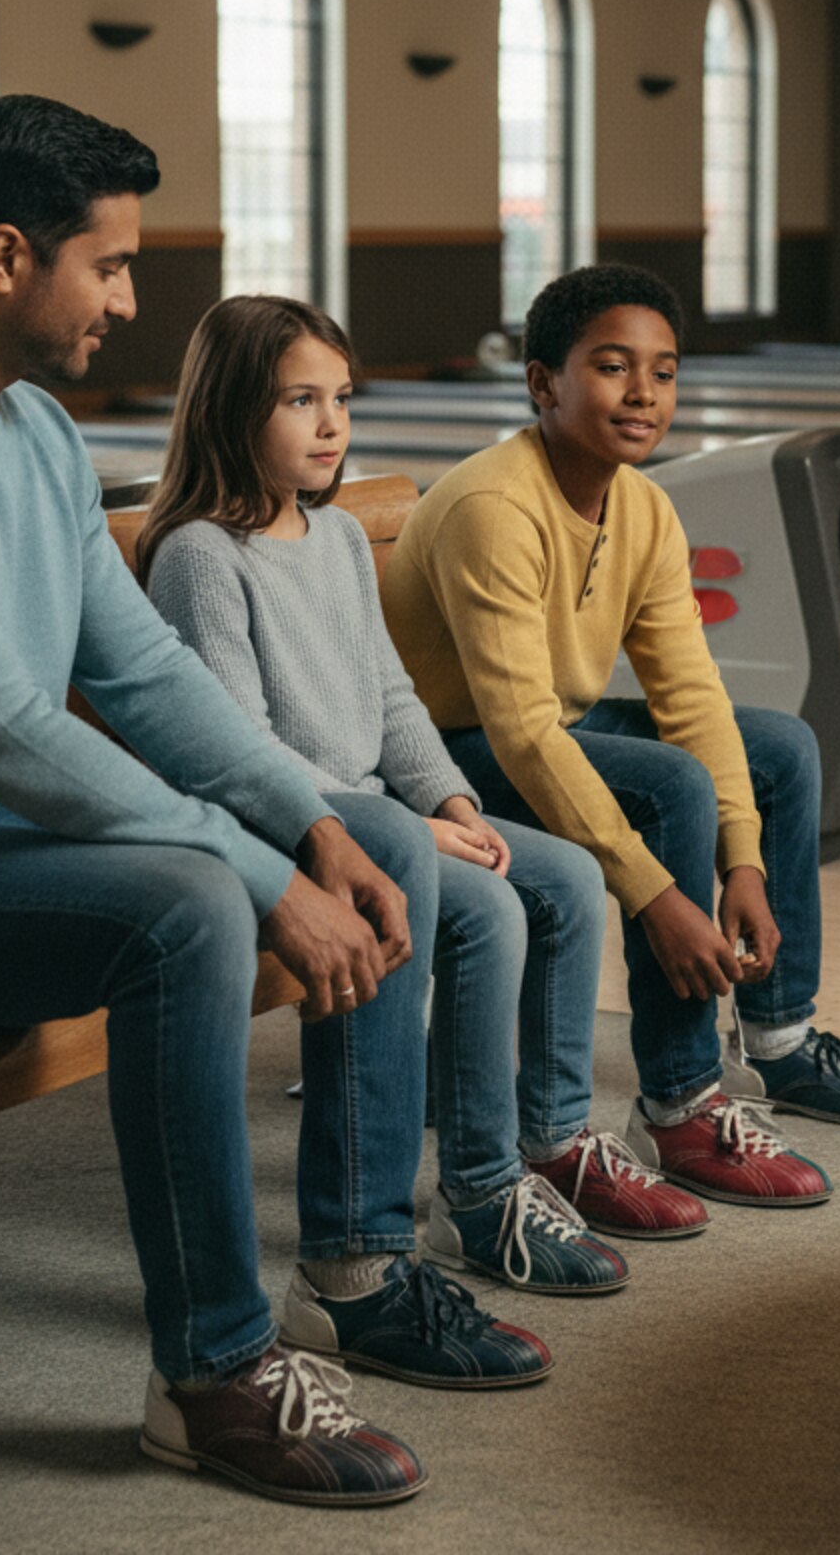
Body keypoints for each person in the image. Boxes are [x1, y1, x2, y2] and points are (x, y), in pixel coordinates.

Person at [0, 95, 533, 1512]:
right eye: (112, 265)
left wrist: (315, 823)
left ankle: (359, 1265)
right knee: (191, 910)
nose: (132, 302)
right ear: (10, 257)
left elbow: (137, 671)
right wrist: (267, 876)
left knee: (381, 833)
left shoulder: (27, 430)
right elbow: (7, 732)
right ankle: (208, 1376)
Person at [142, 294, 699, 1277]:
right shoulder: (199, 555)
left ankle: (551, 1141)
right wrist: (403, 827)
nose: (330, 424)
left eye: (341, 398)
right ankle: (478, 1190)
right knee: (485, 909)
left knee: (565, 878)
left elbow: (396, 701)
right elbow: (238, 747)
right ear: (232, 408)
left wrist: (448, 801)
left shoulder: (341, 538)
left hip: (384, 812)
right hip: (286, 824)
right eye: (298, 400)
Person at [383, 265, 840, 1228]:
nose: (643, 394)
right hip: (440, 764)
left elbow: (690, 692)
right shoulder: (492, 509)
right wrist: (661, 897)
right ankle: (680, 1104)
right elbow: (520, 733)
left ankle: (779, 1037)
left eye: (664, 372)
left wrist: (745, 863)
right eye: (613, 367)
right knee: (669, 786)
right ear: (544, 383)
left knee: (778, 747)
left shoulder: (642, 508)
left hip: (542, 733)